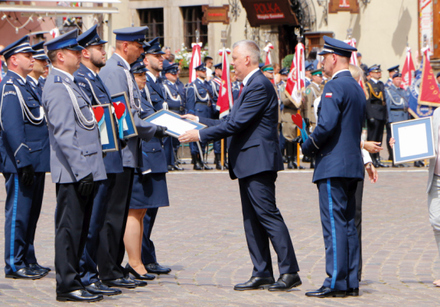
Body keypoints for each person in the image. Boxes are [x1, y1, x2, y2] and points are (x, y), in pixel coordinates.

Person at [179, 40, 301, 292]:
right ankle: (262, 271)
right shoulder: (252, 85)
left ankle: (289, 271)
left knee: (267, 215)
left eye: (235, 58)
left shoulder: (259, 85)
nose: (231, 63)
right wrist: (199, 120)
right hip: (248, 163)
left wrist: (199, 135)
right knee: (251, 219)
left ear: (247, 59)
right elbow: (233, 119)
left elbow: (235, 125)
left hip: (258, 163)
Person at [42, 29, 107, 302]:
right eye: (73, 51)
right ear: (60, 56)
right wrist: (83, 171)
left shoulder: (70, 82)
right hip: (72, 172)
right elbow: (64, 135)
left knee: (80, 228)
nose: (80, 54)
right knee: (69, 230)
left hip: (83, 169)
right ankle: (67, 285)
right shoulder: (57, 86)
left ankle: (77, 277)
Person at [99, 26, 165, 289]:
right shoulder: (115, 71)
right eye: (139, 45)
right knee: (114, 215)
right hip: (120, 152)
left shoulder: (123, 69)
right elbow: (124, 115)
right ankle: (110, 270)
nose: (142, 50)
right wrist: (157, 129)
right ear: (125, 46)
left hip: (129, 151)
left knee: (119, 212)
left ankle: (115, 268)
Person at [300, 36, 365, 298]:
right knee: (349, 224)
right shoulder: (357, 87)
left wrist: (309, 146)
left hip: (333, 165)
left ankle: (335, 281)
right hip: (352, 165)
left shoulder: (333, 87)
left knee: (334, 225)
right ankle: (350, 280)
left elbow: (325, 126)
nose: (322, 63)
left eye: (324, 57)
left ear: (334, 58)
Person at [73, 24, 123, 296]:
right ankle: (86, 274)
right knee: (91, 224)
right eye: (99, 48)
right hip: (98, 158)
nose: (103, 52)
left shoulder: (95, 77)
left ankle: (91, 272)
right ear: (84, 52)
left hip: (109, 156)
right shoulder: (81, 79)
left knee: (99, 220)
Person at [0, 35, 50, 280]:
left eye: (32, 55)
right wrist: (23, 160)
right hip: (21, 162)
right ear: (13, 60)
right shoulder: (10, 86)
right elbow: (11, 126)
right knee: (19, 214)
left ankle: (28, 258)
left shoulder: (28, 85)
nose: (33, 59)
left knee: (31, 214)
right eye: (27, 56)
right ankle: (13, 262)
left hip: (36, 160)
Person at [123, 58, 170, 280]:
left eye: (143, 75)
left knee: (146, 213)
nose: (143, 79)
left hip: (153, 156)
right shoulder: (133, 96)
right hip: (142, 157)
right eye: (140, 75)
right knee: (139, 211)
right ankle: (137, 260)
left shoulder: (145, 93)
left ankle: (144, 257)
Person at [186, 63, 213, 170]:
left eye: (205, 71)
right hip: (198, 112)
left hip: (207, 112)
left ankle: (202, 160)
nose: (204, 72)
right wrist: (191, 114)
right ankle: (196, 161)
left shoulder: (207, 84)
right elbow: (190, 101)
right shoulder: (193, 85)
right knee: (196, 138)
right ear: (197, 72)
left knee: (205, 137)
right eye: (202, 71)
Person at [163, 60, 185, 170]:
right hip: (171, 114)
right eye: (173, 73)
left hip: (178, 114)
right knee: (168, 141)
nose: (176, 75)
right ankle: (168, 162)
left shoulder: (178, 86)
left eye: (176, 73)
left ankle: (174, 160)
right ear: (167, 74)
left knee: (176, 141)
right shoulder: (165, 85)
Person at [366, 64, 389, 168]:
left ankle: (377, 158)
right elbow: (367, 101)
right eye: (376, 72)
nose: (379, 73)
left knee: (379, 138)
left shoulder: (381, 84)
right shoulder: (368, 85)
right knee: (372, 138)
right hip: (373, 114)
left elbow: (384, 101)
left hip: (381, 114)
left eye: (379, 72)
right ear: (371, 73)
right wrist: (370, 115)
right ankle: (371, 159)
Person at [385, 72, 409, 167]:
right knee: (394, 140)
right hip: (394, 117)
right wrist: (389, 119)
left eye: (400, 79)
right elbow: (387, 106)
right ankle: (395, 160)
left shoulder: (403, 91)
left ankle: (401, 160)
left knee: (402, 140)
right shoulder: (389, 91)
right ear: (393, 80)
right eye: (397, 79)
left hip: (403, 116)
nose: (399, 81)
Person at [302, 68, 323, 168]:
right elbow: (307, 104)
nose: (321, 78)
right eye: (319, 76)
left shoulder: (321, 88)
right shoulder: (310, 89)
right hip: (312, 116)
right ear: (313, 77)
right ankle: (312, 160)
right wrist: (307, 118)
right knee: (314, 138)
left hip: (320, 115)